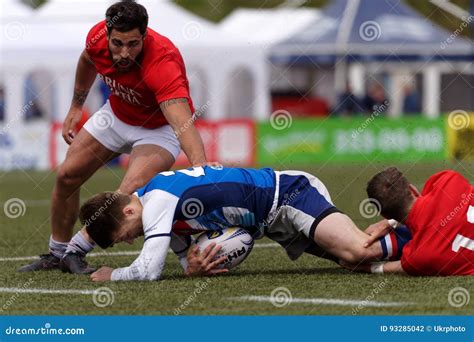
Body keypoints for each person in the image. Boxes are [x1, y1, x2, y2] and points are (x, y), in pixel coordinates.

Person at [18, 0, 213, 275]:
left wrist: (201, 168)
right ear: (107, 35)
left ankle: (76, 251)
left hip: (158, 128)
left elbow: (181, 121)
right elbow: (87, 60)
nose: (124, 53)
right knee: (67, 175)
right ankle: (57, 253)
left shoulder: (162, 61)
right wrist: (76, 106)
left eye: (133, 44)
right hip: (116, 116)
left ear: (144, 36)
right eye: (117, 43)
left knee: (125, 193)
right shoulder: (97, 37)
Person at [78, 166, 411, 281]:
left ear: (128, 213)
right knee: (348, 261)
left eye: (124, 237)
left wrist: (113, 274)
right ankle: (411, 240)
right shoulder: (154, 199)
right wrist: (192, 267)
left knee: (356, 252)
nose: (129, 242)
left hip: (288, 195)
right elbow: (187, 257)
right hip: (272, 222)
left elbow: (147, 271)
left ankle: (422, 229)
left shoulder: (156, 202)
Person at [356, 167, 473, 276]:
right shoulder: (448, 180)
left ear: (384, 215)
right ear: (412, 189)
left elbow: (402, 265)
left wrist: (370, 268)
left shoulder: (420, 256)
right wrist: (390, 223)